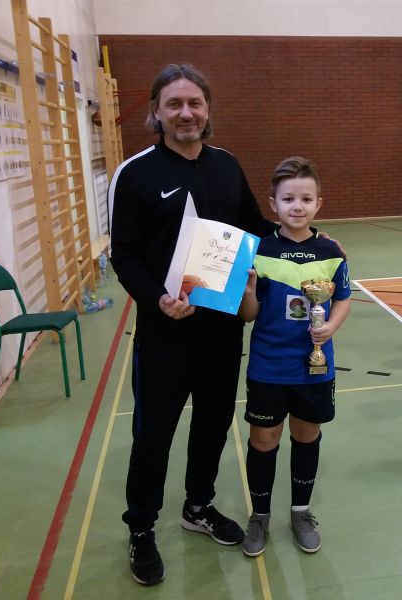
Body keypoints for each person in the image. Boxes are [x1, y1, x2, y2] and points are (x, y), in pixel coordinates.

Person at [109, 63, 279, 586]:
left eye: (195, 103)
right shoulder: (135, 174)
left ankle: (198, 506)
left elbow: (255, 228)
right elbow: (124, 254)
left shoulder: (226, 165)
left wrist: (306, 240)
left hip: (221, 330)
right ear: (156, 112)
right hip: (164, 333)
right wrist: (158, 299)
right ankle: (141, 527)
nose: (186, 113)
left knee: (212, 425)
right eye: (174, 104)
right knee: (153, 434)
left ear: (207, 110)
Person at [238, 156, 351, 556]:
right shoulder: (260, 250)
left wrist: (331, 327)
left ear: (318, 203)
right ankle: (260, 515)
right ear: (273, 204)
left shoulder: (332, 252)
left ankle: (300, 512)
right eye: (288, 199)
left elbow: (343, 298)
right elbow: (248, 315)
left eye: (305, 199)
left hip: (314, 366)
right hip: (268, 366)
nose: (297, 206)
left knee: (306, 434)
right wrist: (248, 291)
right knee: (263, 438)